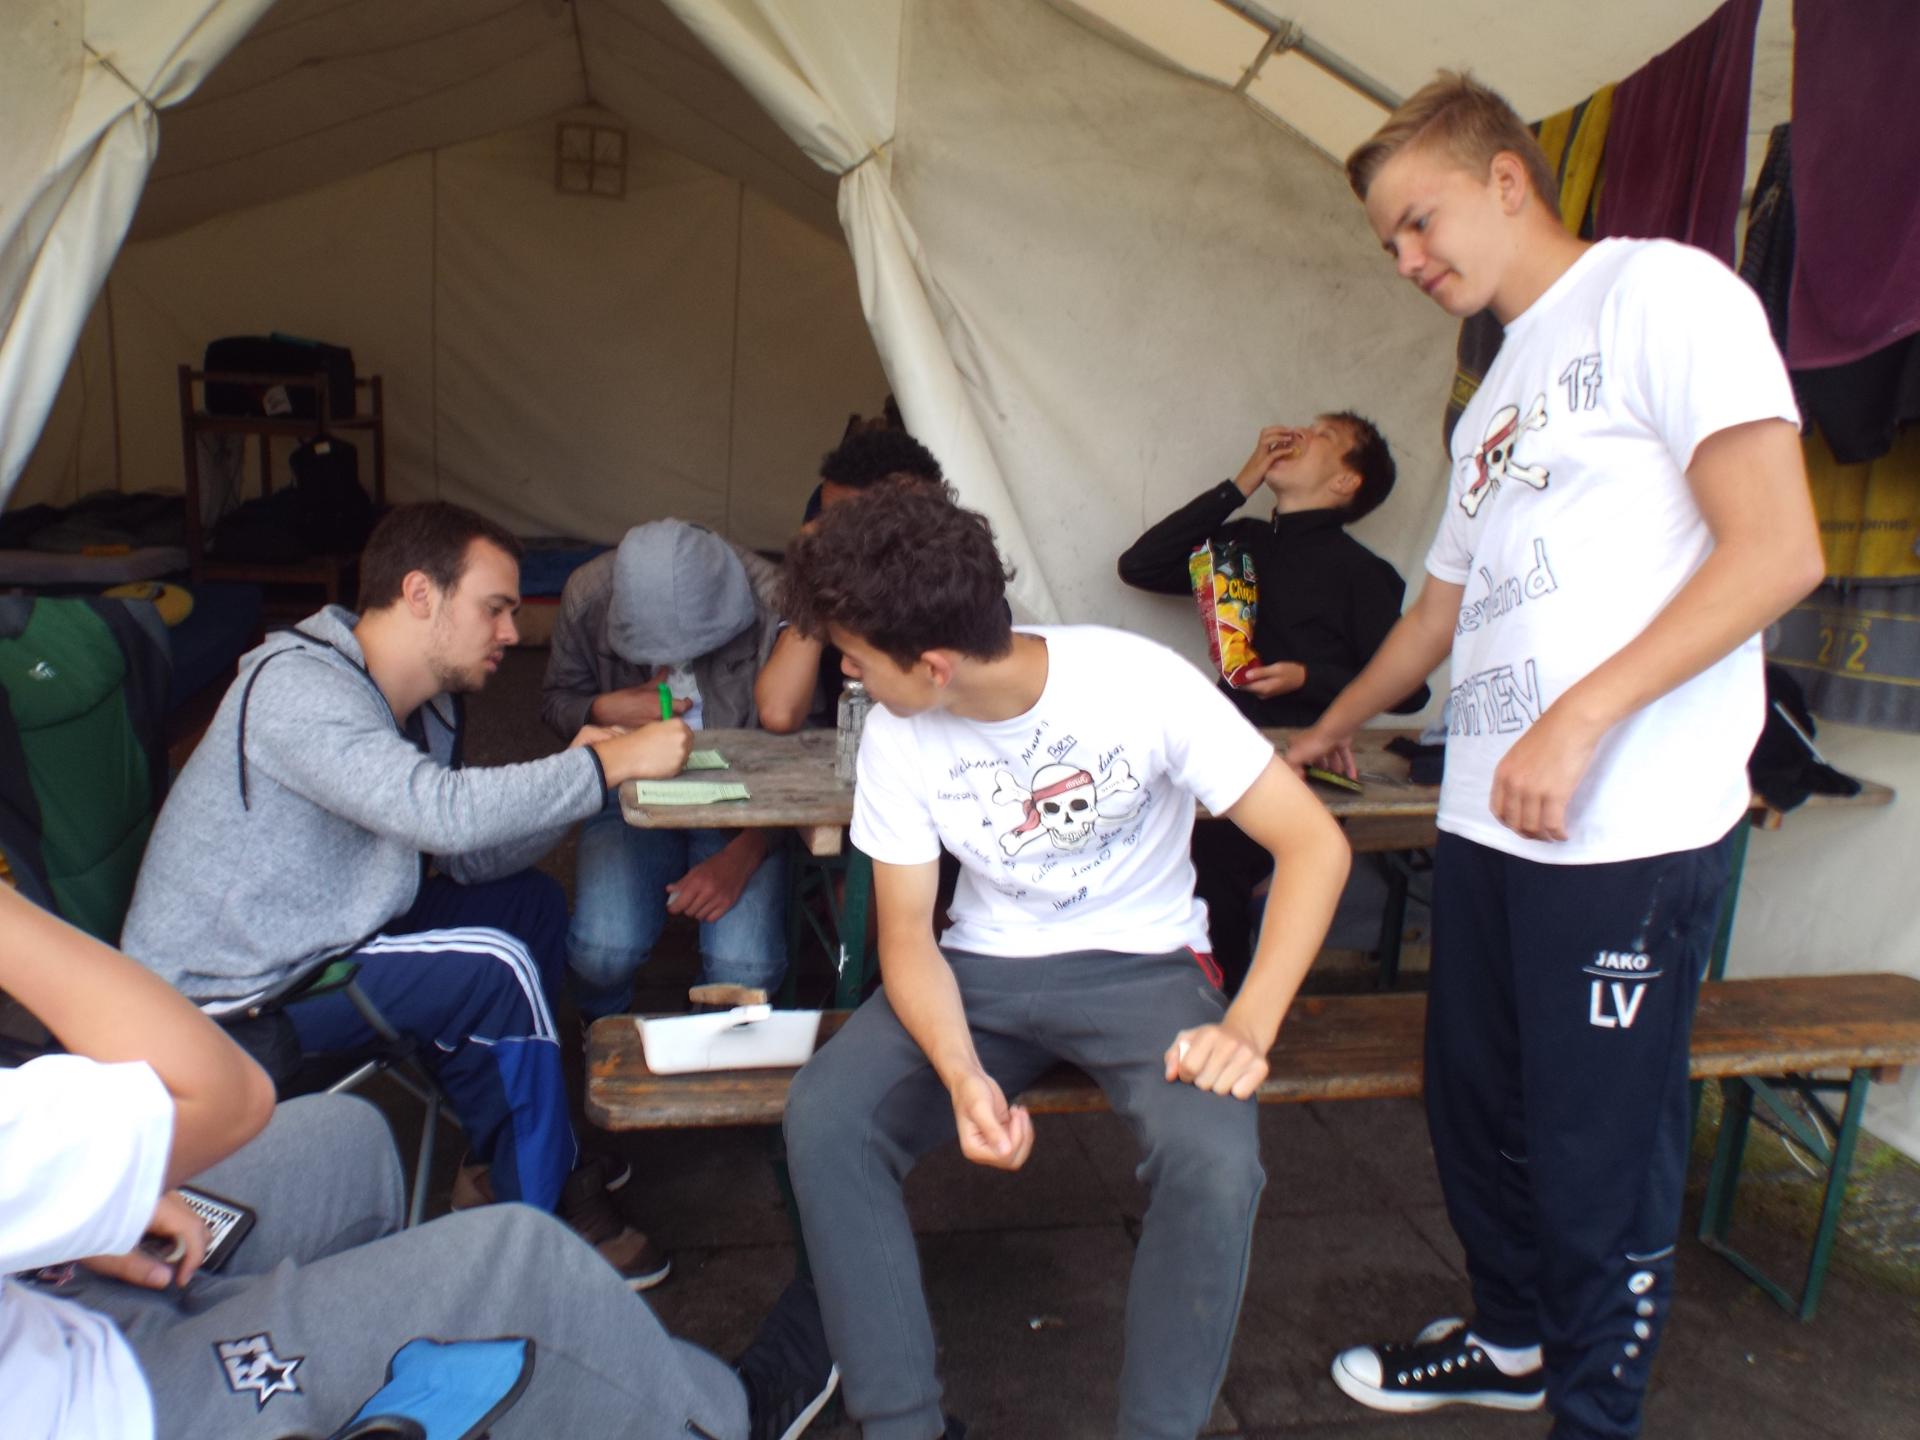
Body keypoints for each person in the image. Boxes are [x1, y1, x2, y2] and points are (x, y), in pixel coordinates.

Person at [1285, 72, 1824, 1440]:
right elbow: (1439, 614)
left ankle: (1596, 1410)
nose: (1407, 261)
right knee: (1476, 1112)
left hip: (1626, 822)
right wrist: (1337, 724)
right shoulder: (1497, 392)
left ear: (1508, 179)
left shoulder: (1665, 294)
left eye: (1419, 222)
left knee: (1595, 1148)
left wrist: (1578, 718)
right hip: (1489, 816)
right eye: (1388, 243)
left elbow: (1778, 550)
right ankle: (1513, 1339)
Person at [779, 485, 1352, 1440]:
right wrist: (961, 1074)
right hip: (979, 972)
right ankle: (902, 1426)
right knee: (828, 1116)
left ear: (933, 665)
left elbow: (1315, 846)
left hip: (1146, 967)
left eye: (856, 657)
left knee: (1215, 1160)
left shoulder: (1144, 683)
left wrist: (1249, 1026)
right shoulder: (895, 732)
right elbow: (908, 935)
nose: (846, 670)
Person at [1, 882, 838, 1440]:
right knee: (520, 1256)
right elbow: (224, 1096)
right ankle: (727, 1419)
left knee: (346, 1140)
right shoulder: (305, 696)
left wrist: (53, 1215)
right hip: (99, 1404)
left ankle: (418, 1383)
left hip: (40, 1284)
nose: (506, 659)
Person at [121, 502, 694, 1288]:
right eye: (494, 608)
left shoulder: (421, 706)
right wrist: (604, 766)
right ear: (421, 593)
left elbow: (469, 856)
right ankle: (539, 1230)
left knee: (526, 905)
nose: (511, 632)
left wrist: (578, 777)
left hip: (331, 932)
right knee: (491, 968)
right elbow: (439, 812)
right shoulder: (298, 687)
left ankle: (501, 1164)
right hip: (231, 1001)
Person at [1119, 413, 1429, 990]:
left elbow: (1411, 690)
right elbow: (1141, 566)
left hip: (1304, 763)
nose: (1300, 435)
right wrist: (1244, 480)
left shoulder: (1362, 572)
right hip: (1214, 748)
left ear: (1346, 482)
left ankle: (1223, 1008)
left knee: (1212, 871)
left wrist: (1307, 678)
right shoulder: (1242, 543)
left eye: (1325, 436)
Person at [541, 519, 788, 1015]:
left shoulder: (775, 600)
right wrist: (602, 708)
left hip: (751, 803)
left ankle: (710, 1045)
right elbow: (554, 702)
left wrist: (746, 853)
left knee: (745, 970)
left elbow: (809, 754)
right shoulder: (588, 595)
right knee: (600, 951)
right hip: (628, 790)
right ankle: (603, 1030)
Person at [755, 428, 948, 734]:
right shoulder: (832, 581)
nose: (828, 533)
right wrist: (814, 579)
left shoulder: (957, 587)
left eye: (846, 521)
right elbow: (779, 712)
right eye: (825, 517)